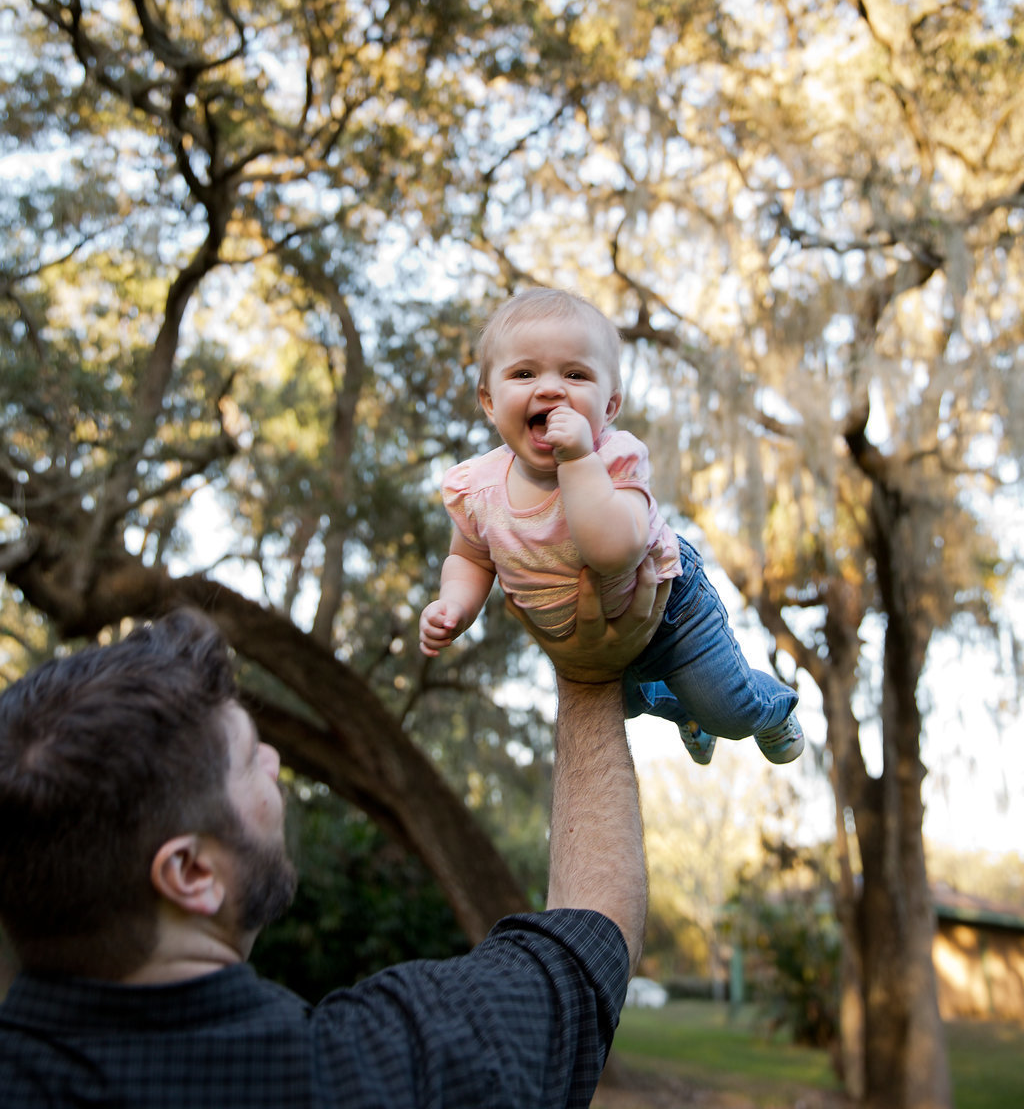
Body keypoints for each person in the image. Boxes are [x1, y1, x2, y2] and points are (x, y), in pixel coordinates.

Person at [0, 573, 662, 1109]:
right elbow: (591, 934)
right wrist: (587, 671)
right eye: (247, 758)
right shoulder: (389, 1069)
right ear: (192, 873)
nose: (273, 766)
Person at [420, 286, 803, 767]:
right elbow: (469, 557)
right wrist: (453, 605)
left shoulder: (612, 459)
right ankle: (685, 711)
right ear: (490, 400)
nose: (550, 388)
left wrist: (578, 459)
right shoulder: (477, 488)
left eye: (576, 374)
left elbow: (614, 551)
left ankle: (773, 708)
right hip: (595, 641)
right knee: (610, 706)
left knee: (729, 711)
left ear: (609, 406)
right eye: (524, 373)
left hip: (671, 612)